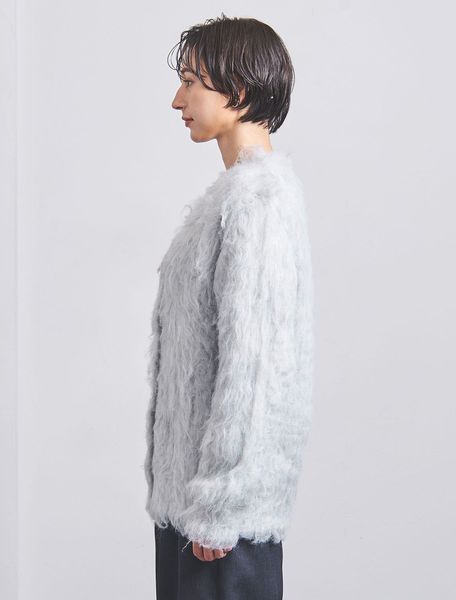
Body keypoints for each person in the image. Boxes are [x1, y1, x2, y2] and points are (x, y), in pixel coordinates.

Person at [144, 14, 314, 599]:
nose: (178, 100)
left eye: (191, 82)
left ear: (237, 89)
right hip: (195, 509)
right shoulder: (232, 198)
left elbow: (259, 365)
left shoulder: (258, 200)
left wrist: (224, 502)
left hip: (222, 523)